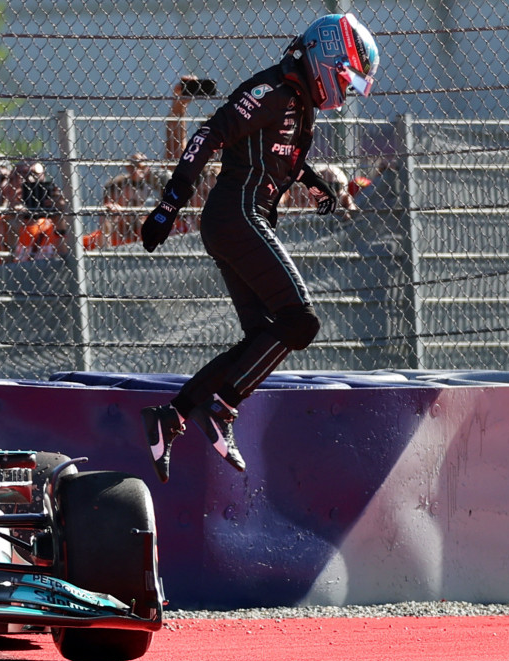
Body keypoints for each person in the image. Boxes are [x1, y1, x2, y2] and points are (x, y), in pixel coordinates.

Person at [139, 13, 380, 481]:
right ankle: (223, 410)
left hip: (239, 221)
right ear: (326, 60)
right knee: (300, 321)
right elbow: (208, 134)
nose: (346, 91)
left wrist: (312, 182)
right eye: (346, 79)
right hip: (237, 218)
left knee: (262, 337)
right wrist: (169, 205)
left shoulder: (300, 100)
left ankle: (172, 416)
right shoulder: (275, 90)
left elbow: (282, 154)